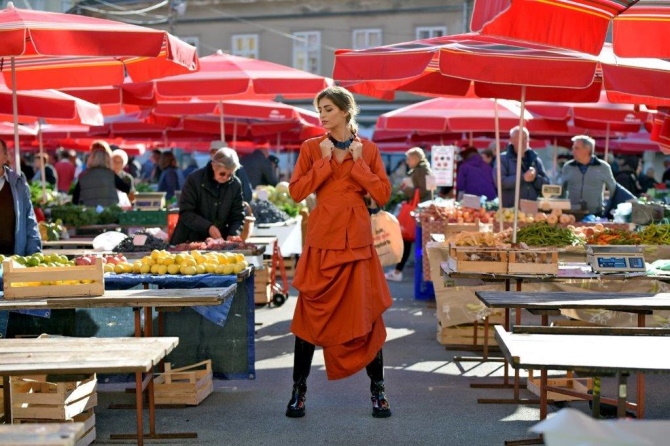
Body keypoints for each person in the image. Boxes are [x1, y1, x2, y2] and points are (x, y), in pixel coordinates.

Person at [287, 86, 392, 419]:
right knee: (308, 317)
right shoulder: (310, 148)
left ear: (346, 111)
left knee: (367, 315)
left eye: (328, 108)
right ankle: (298, 392)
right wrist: (322, 162)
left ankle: (379, 392)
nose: (322, 115)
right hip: (322, 241)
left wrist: (360, 164)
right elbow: (296, 192)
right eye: (319, 109)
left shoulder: (369, 150)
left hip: (358, 243)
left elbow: (384, 194)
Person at [170, 149, 245, 244]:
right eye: (222, 173)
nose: (226, 177)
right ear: (213, 166)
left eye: (230, 175)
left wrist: (233, 233)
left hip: (219, 242)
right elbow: (186, 212)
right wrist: (208, 227)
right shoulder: (194, 179)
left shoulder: (235, 184)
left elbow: (238, 216)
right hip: (189, 240)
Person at [385, 147, 432, 283]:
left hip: (419, 210)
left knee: (408, 240)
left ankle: (399, 271)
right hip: (422, 209)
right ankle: (404, 270)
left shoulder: (420, 170)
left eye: (409, 158)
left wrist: (406, 189)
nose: (407, 161)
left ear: (417, 158)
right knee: (414, 241)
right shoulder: (424, 169)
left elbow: (422, 191)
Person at [0, 139, 41, 256]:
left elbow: (29, 220)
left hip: (13, 256)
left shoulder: (18, 183)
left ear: (5, 156)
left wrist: (34, 253)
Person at [493, 126, 549, 207]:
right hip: (510, 210)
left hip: (532, 209)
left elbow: (546, 185)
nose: (523, 142)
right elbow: (500, 183)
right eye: (519, 139)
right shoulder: (503, 159)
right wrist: (522, 177)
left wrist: (535, 179)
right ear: (511, 140)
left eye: (526, 138)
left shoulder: (535, 159)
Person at [561, 135, 616, 215]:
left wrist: (608, 210)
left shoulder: (603, 167)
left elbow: (613, 190)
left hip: (595, 214)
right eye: (573, 148)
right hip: (571, 214)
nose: (573, 151)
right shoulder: (568, 167)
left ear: (587, 150)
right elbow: (561, 191)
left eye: (576, 148)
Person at [72, 140, 131, 207]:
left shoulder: (83, 175)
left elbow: (75, 199)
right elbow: (126, 188)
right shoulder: (110, 175)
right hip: (109, 210)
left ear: (91, 159)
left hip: (90, 211)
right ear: (108, 159)